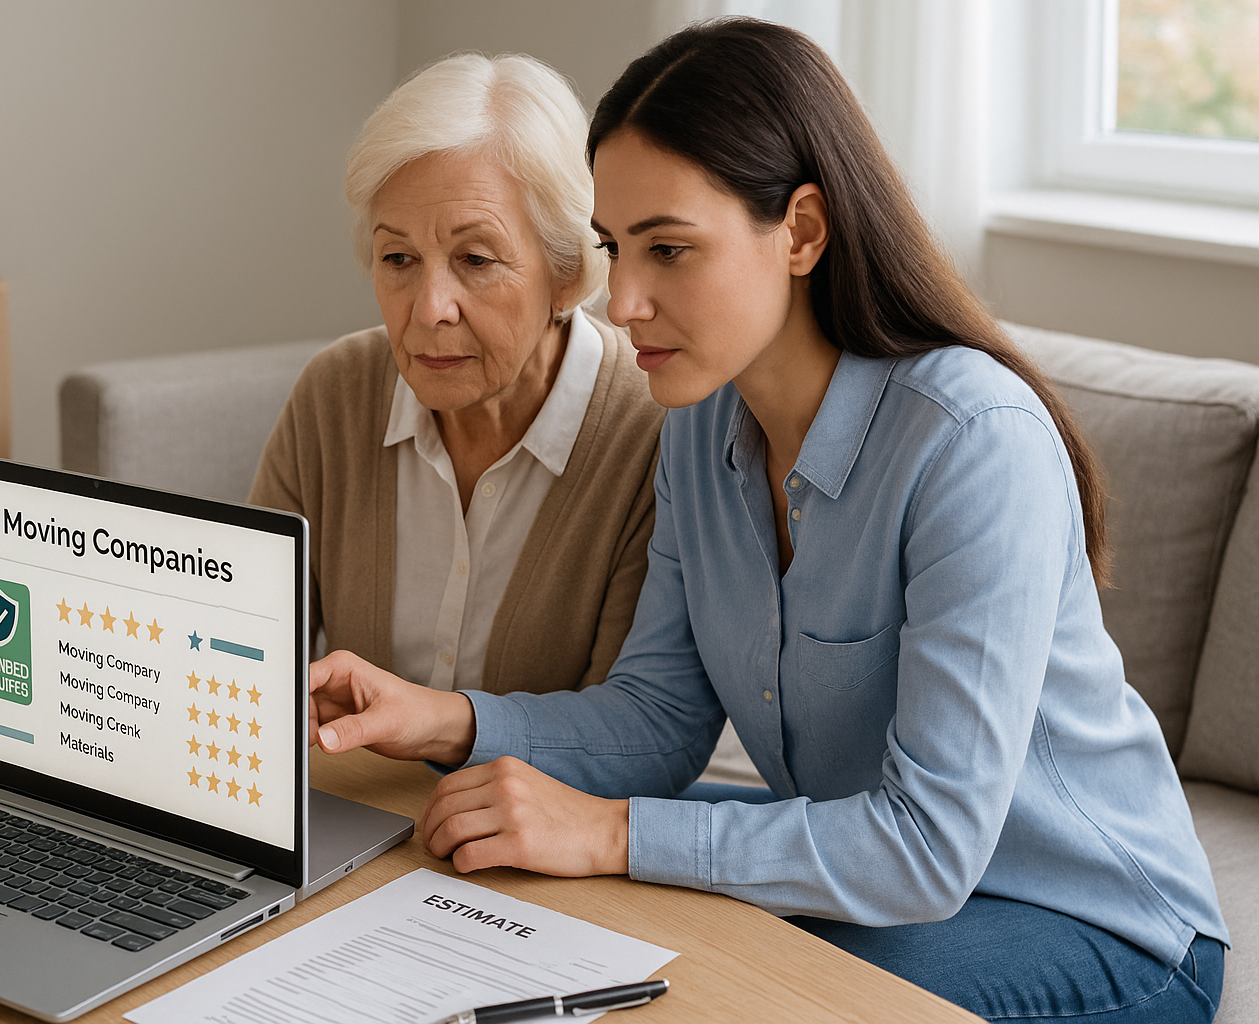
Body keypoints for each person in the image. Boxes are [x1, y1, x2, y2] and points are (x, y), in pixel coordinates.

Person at [306, 18, 1229, 1024]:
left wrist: (612, 834)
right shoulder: (701, 424)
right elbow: (659, 720)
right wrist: (442, 717)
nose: (624, 302)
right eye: (618, 250)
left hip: (1090, 920)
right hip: (874, 868)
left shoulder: (972, 439)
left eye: (669, 249)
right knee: (495, 885)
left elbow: (926, 847)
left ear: (800, 230)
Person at [250, 54, 663, 697]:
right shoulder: (334, 395)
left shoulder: (653, 431)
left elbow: (629, 732)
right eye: (398, 258)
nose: (428, 309)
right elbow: (253, 654)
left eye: (475, 258)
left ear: (567, 272)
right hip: (356, 793)